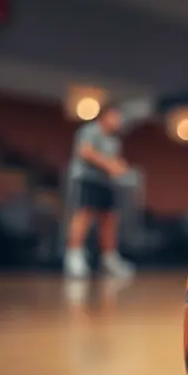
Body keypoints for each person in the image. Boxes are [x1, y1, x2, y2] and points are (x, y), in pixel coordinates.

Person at [64, 107, 135, 279]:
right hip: (87, 179)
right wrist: (108, 164)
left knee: (109, 219)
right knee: (83, 215)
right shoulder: (90, 130)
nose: (117, 122)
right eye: (114, 117)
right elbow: (85, 152)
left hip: (106, 183)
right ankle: (74, 257)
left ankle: (108, 259)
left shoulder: (114, 141)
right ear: (104, 116)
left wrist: (120, 167)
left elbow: (114, 161)